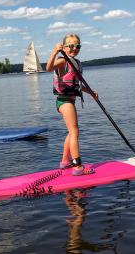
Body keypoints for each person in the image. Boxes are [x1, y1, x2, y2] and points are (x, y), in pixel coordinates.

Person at [46, 34, 97, 176]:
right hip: (64, 100)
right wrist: (54, 52)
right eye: (71, 46)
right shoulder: (62, 61)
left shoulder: (76, 63)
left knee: (72, 131)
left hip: (70, 100)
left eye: (77, 46)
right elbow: (49, 68)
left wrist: (91, 92)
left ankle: (64, 161)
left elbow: (78, 84)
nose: (74, 48)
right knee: (75, 132)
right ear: (64, 47)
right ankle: (77, 167)